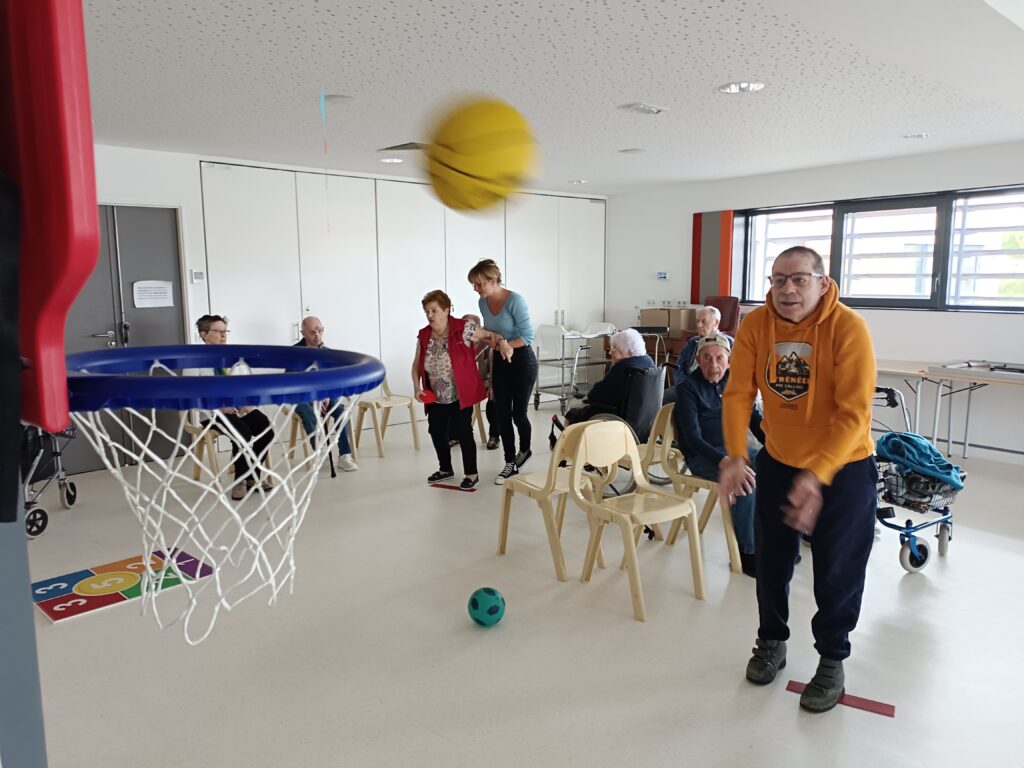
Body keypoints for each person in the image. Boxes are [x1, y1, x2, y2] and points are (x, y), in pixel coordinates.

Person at [719, 246, 877, 714]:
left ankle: (832, 659)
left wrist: (817, 473)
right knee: (771, 560)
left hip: (844, 468)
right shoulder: (756, 325)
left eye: (799, 279)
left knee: (837, 569)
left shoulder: (849, 328)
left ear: (822, 283)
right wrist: (735, 454)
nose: (787, 289)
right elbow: (738, 393)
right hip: (780, 460)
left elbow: (854, 414)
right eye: (778, 279)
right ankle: (772, 639)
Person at [673, 332, 763, 577]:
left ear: (729, 360)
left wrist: (776, 447)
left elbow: (754, 418)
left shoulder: (735, 382)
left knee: (776, 468)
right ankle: (747, 552)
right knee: (746, 483)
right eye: (707, 358)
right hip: (704, 456)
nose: (714, 364)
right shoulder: (687, 389)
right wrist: (725, 462)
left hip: (736, 451)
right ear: (698, 361)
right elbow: (693, 438)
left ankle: (773, 541)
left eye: (719, 358)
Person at [467, 259, 538, 485]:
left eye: (479, 284)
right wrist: (491, 341)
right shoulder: (483, 302)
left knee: (518, 414)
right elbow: (490, 333)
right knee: (501, 412)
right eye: (473, 285)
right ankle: (510, 462)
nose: (475, 289)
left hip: (522, 360)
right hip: (499, 358)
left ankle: (525, 450)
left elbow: (527, 336)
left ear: (493, 280)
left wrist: (505, 343)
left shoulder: (515, 300)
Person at [196, 314, 275, 501]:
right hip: (212, 413)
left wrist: (245, 402)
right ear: (204, 334)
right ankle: (241, 480)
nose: (223, 336)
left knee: (266, 429)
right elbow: (193, 394)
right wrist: (218, 407)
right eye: (218, 331)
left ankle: (251, 476)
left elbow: (241, 385)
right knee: (243, 433)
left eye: (225, 331)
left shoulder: (231, 357)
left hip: (236, 409)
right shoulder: (195, 360)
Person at [412, 290, 487, 489]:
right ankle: (445, 469)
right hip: (435, 395)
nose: (430, 315)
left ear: (446, 310)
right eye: (427, 311)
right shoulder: (423, 335)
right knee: (436, 430)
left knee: (463, 431)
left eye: (434, 310)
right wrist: (417, 387)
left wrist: (500, 343)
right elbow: (416, 364)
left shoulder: (463, 328)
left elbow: (487, 335)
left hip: (460, 393)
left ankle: (471, 473)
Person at [293, 316, 358, 472]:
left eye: (319, 330)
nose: (317, 335)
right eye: (312, 332)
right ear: (303, 333)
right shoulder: (294, 353)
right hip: (301, 397)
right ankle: (320, 450)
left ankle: (344, 456)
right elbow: (291, 383)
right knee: (308, 413)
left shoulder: (327, 352)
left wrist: (327, 394)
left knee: (341, 411)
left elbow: (334, 379)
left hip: (325, 397)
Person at [560, 328, 655, 425]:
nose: (610, 353)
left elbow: (596, 395)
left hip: (618, 419)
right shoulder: (649, 363)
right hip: (644, 421)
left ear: (628, 352)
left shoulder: (623, 367)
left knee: (572, 415)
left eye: (614, 349)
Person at [663, 305, 733, 405]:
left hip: (713, 388)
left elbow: (732, 373)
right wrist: (684, 384)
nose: (699, 325)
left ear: (716, 323)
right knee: (662, 397)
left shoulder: (729, 343)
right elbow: (679, 366)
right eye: (697, 321)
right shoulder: (692, 342)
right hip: (688, 384)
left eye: (704, 321)